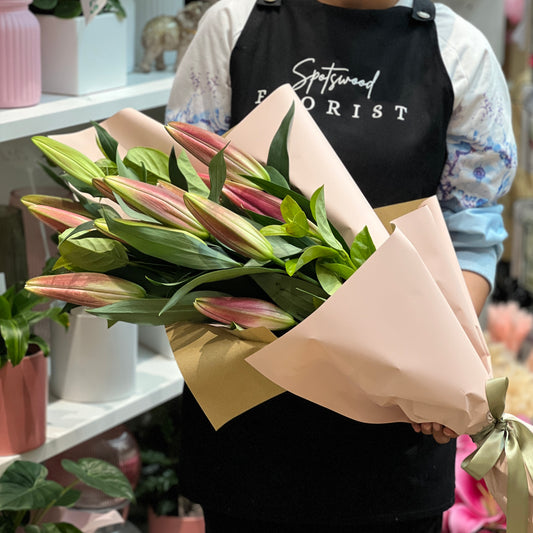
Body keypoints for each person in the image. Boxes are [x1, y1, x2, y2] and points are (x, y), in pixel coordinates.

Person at [165, 1, 517, 531]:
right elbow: (183, 190)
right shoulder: (237, 26)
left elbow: (470, 231)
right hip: (251, 408)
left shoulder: (457, 50)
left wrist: (439, 362)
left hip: (396, 418)